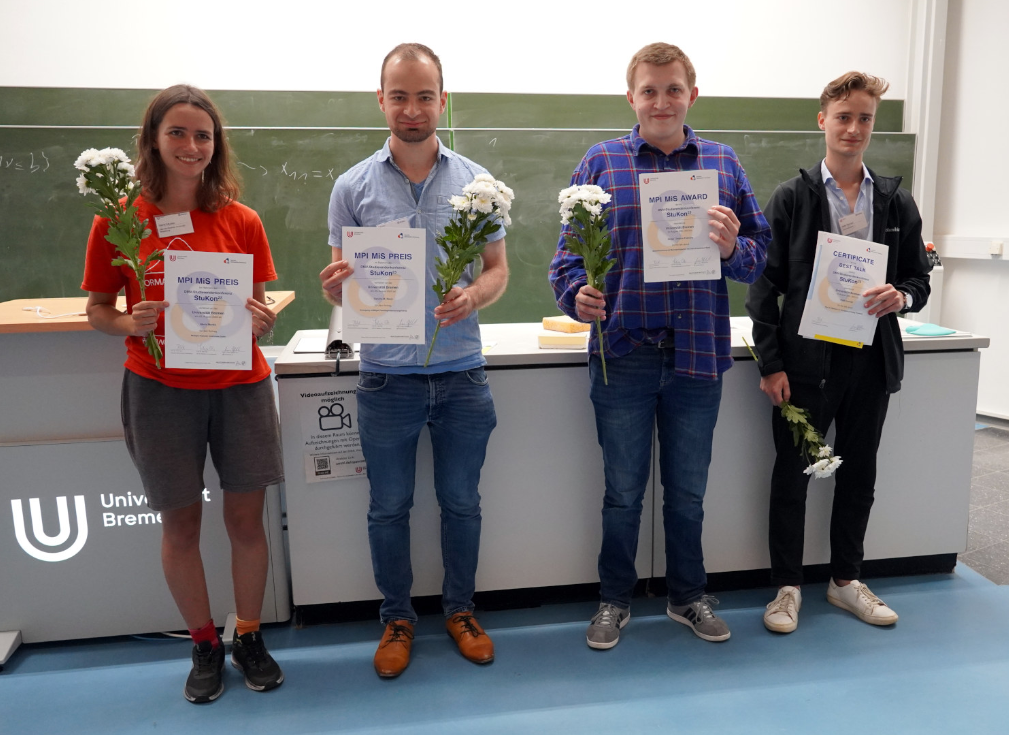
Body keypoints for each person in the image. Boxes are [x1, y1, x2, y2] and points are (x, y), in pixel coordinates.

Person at [549, 42, 769, 650]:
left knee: (689, 492)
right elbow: (565, 260)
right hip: (622, 352)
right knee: (622, 491)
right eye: (649, 89)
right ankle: (614, 599)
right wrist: (578, 298)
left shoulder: (723, 164)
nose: (662, 101)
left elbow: (760, 257)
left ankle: (687, 597)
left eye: (674, 89)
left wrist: (731, 250)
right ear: (631, 97)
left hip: (698, 353)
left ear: (691, 96)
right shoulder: (602, 162)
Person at [82, 85, 285, 703]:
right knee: (181, 522)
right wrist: (127, 323)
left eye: (203, 135)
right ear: (152, 140)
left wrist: (261, 319)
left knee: (246, 520)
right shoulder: (119, 220)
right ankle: (203, 644)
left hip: (239, 385)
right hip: (159, 388)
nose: (192, 146)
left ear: (215, 144)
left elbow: (259, 301)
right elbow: (97, 309)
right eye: (178, 133)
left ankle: (247, 634)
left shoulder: (241, 219)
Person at [319, 43, 508, 678]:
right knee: (388, 506)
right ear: (381, 101)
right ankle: (397, 618)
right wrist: (335, 287)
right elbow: (348, 284)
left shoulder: (477, 184)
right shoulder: (352, 187)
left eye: (424, 95)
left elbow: (497, 270)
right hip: (387, 377)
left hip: (461, 372)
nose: (411, 108)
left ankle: (460, 610)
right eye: (398, 95)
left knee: (461, 502)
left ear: (441, 101)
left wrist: (474, 295)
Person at [745, 72, 931, 633]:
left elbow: (918, 282)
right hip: (805, 364)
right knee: (793, 473)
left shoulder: (896, 201)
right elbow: (762, 285)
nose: (854, 128)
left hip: (870, 362)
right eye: (844, 116)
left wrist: (901, 295)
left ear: (874, 124)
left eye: (865, 118)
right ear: (822, 120)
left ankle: (846, 580)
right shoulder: (792, 197)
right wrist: (772, 363)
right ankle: (786, 587)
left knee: (860, 472)